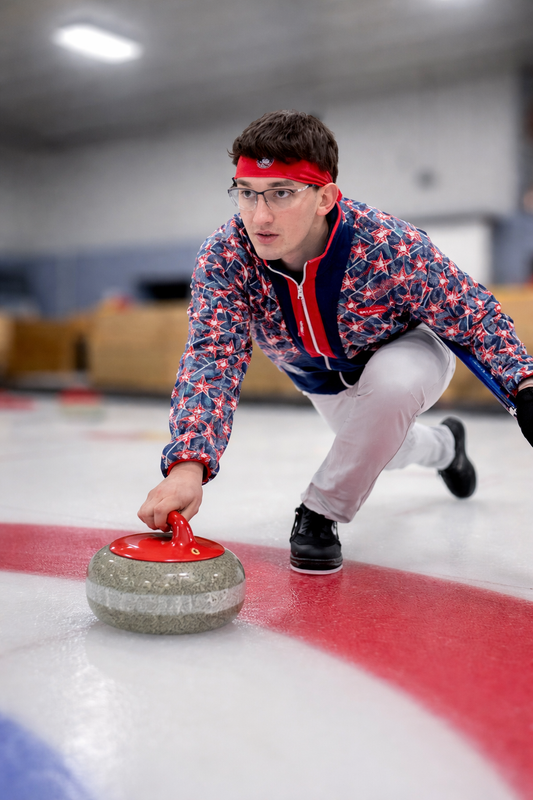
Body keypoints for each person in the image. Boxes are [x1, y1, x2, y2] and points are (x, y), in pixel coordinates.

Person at [138, 110, 533, 574]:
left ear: (324, 196)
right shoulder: (227, 257)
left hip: (408, 349)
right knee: (385, 447)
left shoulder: (386, 244)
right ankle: (447, 446)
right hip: (319, 377)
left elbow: (471, 312)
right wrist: (188, 465)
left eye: (281, 194)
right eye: (246, 194)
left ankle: (320, 512)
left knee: (392, 389)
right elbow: (213, 355)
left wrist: (524, 386)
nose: (259, 216)